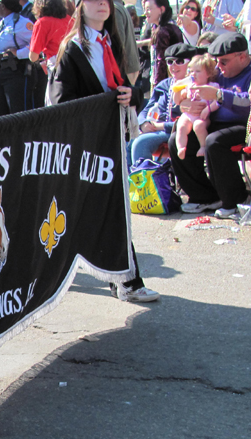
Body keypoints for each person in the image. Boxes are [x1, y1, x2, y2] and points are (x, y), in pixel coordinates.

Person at [49, 0, 159, 303]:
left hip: (111, 140)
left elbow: (129, 85)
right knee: (91, 211)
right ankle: (122, 281)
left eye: (106, 0)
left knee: (114, 209)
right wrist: (99, 106)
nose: (101, 4)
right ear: (81, 7)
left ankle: (126, 281)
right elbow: (61, 102)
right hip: (87, 145)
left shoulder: (110, 41)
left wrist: (131, 94)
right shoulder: (72, 48)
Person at [168, 32, 251, 216]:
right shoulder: (219, 73)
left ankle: (235, 199)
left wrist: (219, 96)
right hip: (210, 121)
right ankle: (204, 196)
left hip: (244, 125)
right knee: (176, 140)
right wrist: (185, 104)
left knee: (214, 142)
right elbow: (186, 92)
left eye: (224, 61)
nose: (219, 67)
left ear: (242, 56)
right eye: (217, 62)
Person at [130, 42, 195, 167]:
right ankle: (133, 183)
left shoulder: (195, 86)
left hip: (180, 133)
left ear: (190, 63)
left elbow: (190, 121)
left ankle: (144, 185)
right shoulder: (164, 85)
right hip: (157, 130)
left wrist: (161, 126)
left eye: (180, 61)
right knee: (129, 141)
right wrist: (143, 123)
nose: (174, 66)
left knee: (141, 142)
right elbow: (146, 109)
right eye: (170, 62)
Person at [0, 0, 35, 117]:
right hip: (0, 72)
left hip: (16, 73)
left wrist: (17, 53)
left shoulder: (22, 23)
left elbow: (36, 46)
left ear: (3, 6)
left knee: (18, 114)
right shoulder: (2, 23)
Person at [173, 52, 219, 158]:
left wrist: (208, 109)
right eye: (191, 71)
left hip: (202, 116)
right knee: (181, 126)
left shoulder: (212, 86)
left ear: (208, 73)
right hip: (189, 116)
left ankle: (203, 146)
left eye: (198, 71)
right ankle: (181, 148)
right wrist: (177, 90)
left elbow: (218, 102)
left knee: (199, 126)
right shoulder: (189, 86)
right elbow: (177, 101)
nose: (193, 74)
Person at [28, 0, 73, 105]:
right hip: (73, 63)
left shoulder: (42, 22)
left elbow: (33, 56)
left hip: (55, 67)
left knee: (54, 105)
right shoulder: (71, 20)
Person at [143, 0, 183, 87]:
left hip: (166, 82)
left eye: (149, 9)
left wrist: (158, 86)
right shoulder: (169, 26)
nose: (145, 13)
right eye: (145, 9)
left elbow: (161, 62)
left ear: (161, 9)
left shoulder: (163, 31)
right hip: (174, 78)